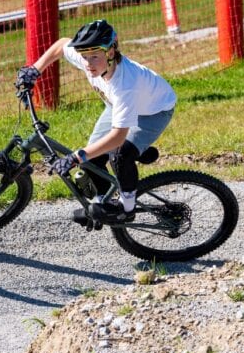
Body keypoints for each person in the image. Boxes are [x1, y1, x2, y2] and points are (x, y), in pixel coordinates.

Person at [15, 19, 177, 223]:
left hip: (154, 111)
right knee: (92, 158)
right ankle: (101, 201)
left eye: (94, 57)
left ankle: (126, 210)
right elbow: (60, 45)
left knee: (119, 154)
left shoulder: (125, 84)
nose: (88, 64)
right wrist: (34, 70)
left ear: (110, 53)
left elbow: (118, 137)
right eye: (84, 57)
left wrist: (75, 157)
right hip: (116, 106)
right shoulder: (91, 58)